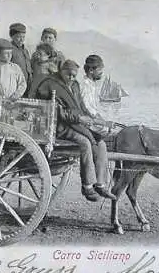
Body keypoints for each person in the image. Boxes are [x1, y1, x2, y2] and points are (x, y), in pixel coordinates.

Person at [34, 59, 115, 202]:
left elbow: (82, 107)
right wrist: (80, 119)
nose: (71, 78)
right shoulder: (51, 84)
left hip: (75, 123)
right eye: (69, 75)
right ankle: (87, 185)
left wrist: (96, 120)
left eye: (74, 75)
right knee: (85, 142)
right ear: (61, 71)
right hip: (59, 126)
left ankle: (101, 184)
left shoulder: (75, 85)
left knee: (100, 142)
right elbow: (59, 113)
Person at [77, 54, 114, 136]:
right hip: (85, 123)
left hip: (91, 120)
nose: (102, 72)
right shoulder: (85, 85)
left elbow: (93, 110)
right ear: (91, 70)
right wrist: (104, 123)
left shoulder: (91, 84)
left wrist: (103, 121)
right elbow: (86, 110)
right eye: (100, 69)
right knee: (108, 130)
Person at [9, 23, 32, 97]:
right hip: (15, 86)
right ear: (12, 36)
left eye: (23, 37)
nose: (21, 39)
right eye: (19, 37)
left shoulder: (25, 51)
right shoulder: (9, 50)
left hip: (27, 87)